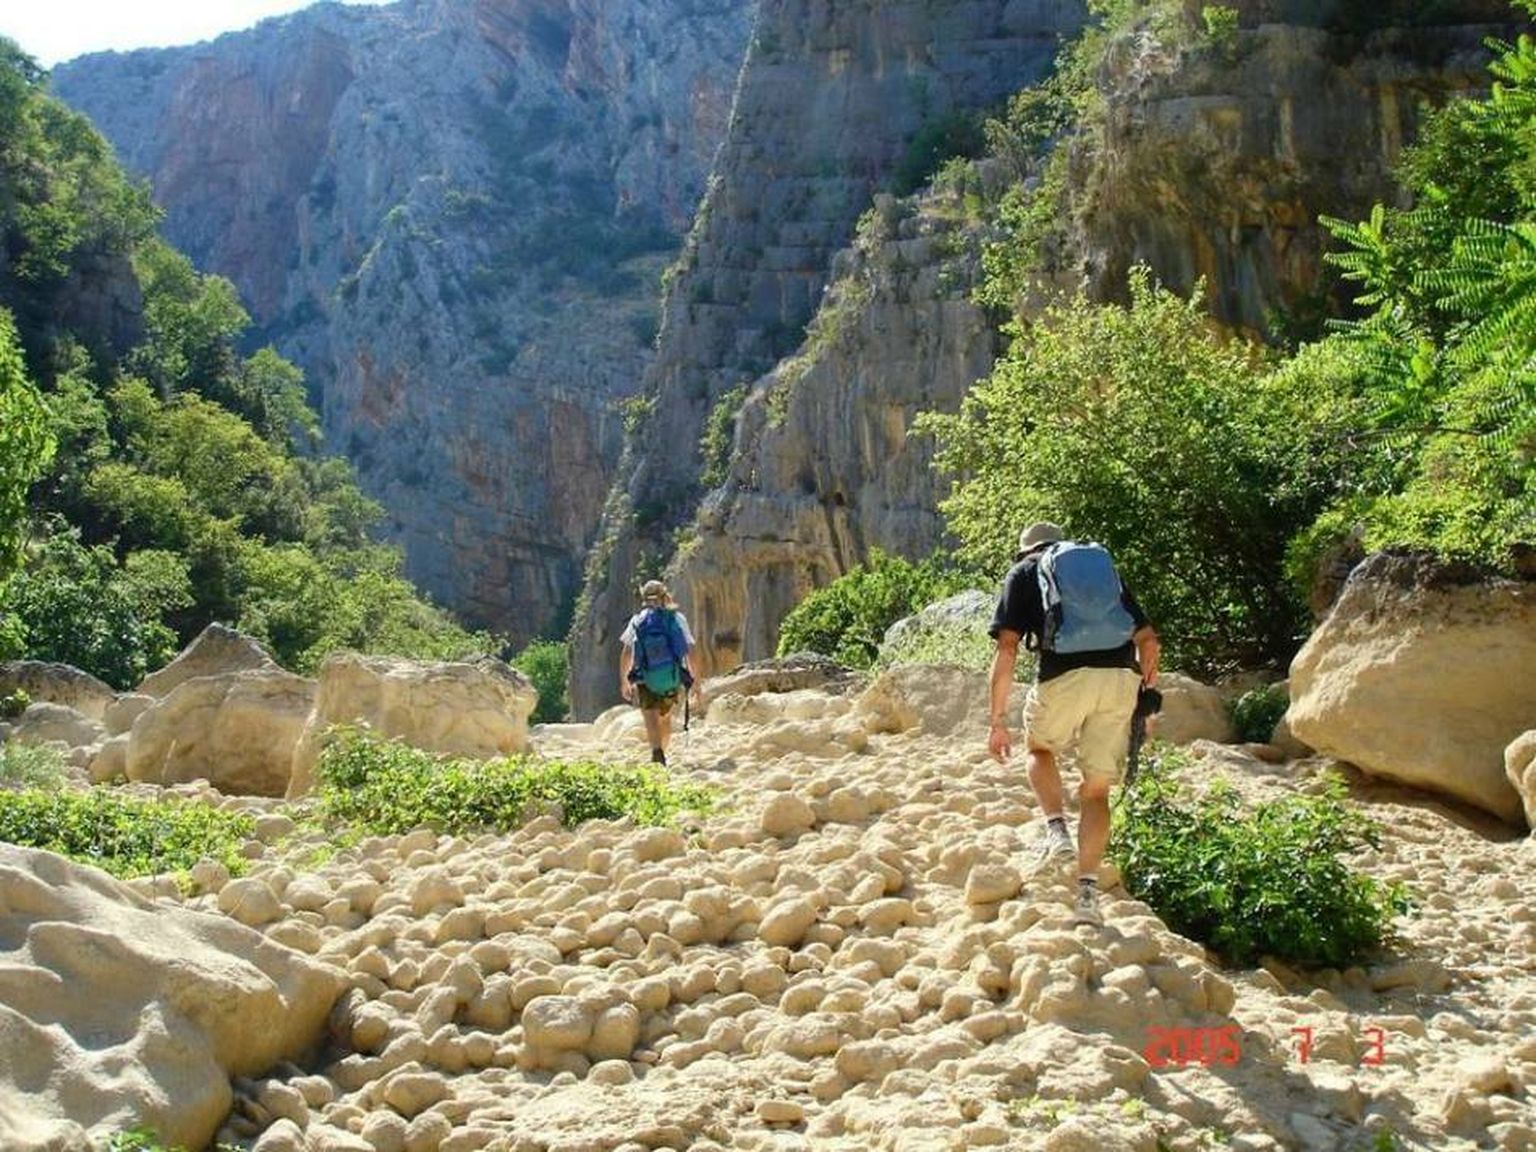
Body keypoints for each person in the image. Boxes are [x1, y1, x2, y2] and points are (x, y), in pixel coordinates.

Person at [986, 521, 1160, 927]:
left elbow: (1007, 649)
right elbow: (1149, 640)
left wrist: (997, 720)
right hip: (1119, 679)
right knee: (1096, 790)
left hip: (1062, 677)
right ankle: (1086, 896)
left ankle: (1057, 830)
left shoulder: (1024, 572)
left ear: (1026, 551)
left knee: (1039, 748)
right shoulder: (1099, 568)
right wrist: (1145, 693)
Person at [619, 579, 702, 766]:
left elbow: (626, 653)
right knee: (665, 717)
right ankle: (662, 751)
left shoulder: (637, 620)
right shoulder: (676, 618)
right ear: (665, 595)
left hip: (644, 676)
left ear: (644, 598)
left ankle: (657, 752)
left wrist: (624, 680)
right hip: (671, 676)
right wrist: (696, 680)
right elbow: (690, 650)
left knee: (650, 715)